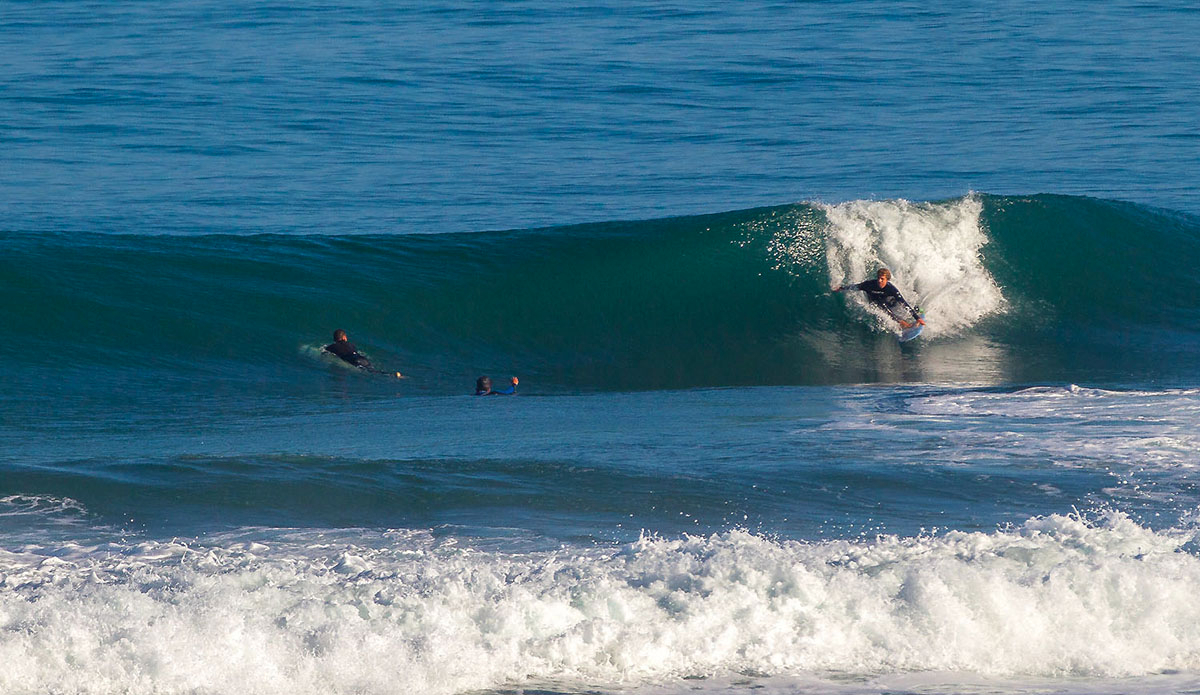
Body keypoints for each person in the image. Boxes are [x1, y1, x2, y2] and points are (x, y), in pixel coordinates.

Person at [833, 268, 925, 329]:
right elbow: (855, 287)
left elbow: (903, 303)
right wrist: (841, 288)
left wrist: (917, 318)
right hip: (876, 302)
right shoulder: (869, 284)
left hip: (887, 299)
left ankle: (917, 311)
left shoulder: (891, 289)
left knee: (899, 304)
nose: (879, 281)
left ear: (887, 280)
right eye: (878, 278)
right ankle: (908, 326)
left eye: (882, 279)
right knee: (887, 311)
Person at [323, 329, 402, 378]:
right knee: (373, 370)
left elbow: (325, 353)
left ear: (334, 339)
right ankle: (392, 374)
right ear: (344, 337)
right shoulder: (351, 344)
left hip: (354, 361)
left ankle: (391, 375)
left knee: (372, 373)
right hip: (362, 359)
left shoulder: (332, 347)